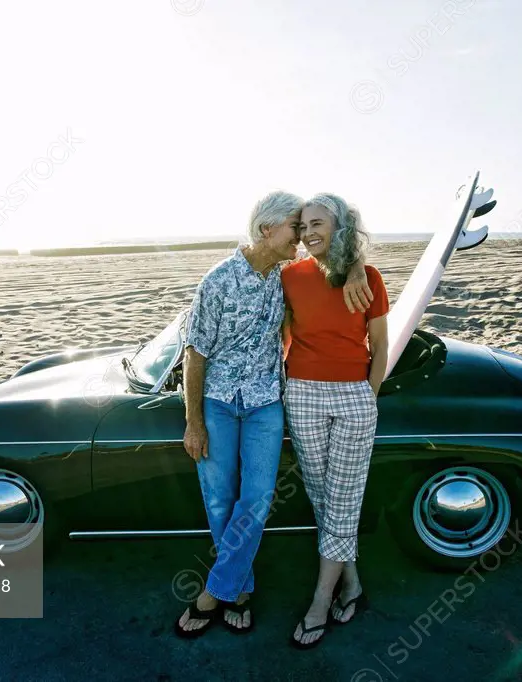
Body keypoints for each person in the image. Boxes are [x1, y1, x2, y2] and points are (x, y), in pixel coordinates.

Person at [175, 191, 373, 638]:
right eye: (294, 228)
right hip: (219, 404)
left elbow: (336, 261)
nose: (301, 238)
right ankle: (240, 590)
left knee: (259, 500)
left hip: (266, 403)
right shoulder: (218, 280)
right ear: (268, 229)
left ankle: (214, 593)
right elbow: (195, 353)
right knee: (221, 499)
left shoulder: (284, 276)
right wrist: (194, 421)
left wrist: (357, 265)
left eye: (305, 229)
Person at [281, 193, 389, 649]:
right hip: (301, 394)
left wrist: (369, 394)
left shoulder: (368, 278)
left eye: (318, 223)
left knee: (342, 500)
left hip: (354, 399)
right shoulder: (289, 276)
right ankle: (353, 585)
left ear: (341, 225)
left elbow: (381, 347)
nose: (308, 232)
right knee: (325, 499)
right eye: (303, 225)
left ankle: (319, 602)